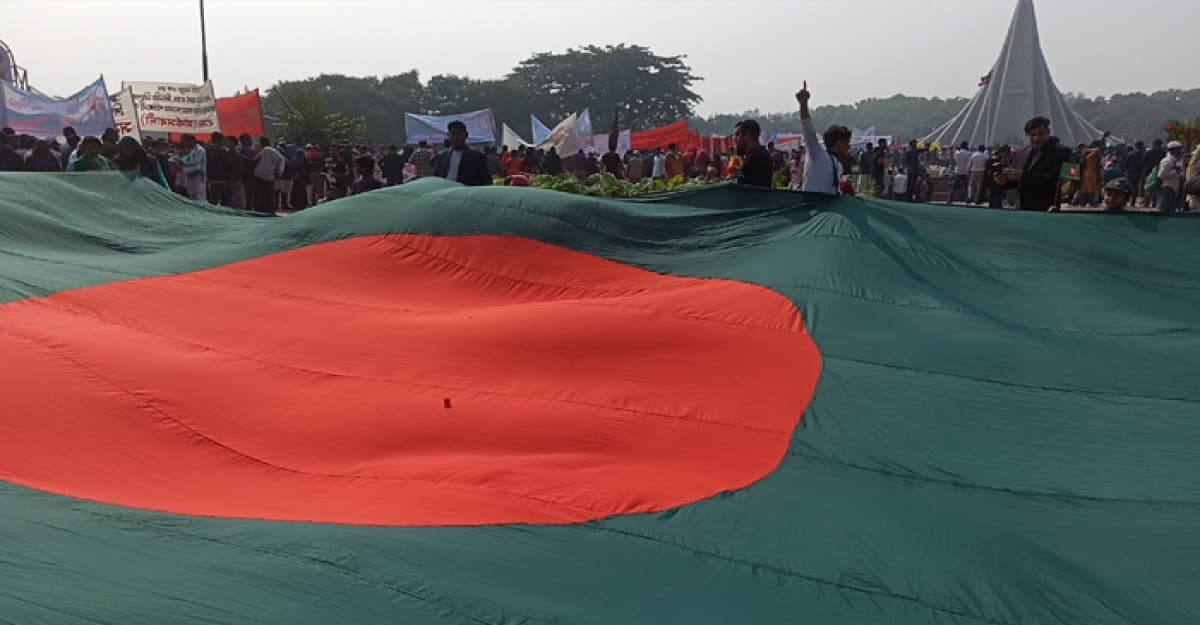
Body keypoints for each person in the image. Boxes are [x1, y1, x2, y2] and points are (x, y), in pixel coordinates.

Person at [993, 116, 1073, 212]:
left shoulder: (1063, 151)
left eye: (1040, 134)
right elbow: (1019, 181)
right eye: (1032, 135)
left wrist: (1023, 176)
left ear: (1048, 132)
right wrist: (1004, 181)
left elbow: (1057, 181)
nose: (1036, 138)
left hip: (1046, 209)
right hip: (1021, 208)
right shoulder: (1023, 152)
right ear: (1026, 135)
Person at [795, 82, 850, 195]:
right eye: (846, 143)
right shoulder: (817, 153)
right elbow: (807, 126)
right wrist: (803, 104)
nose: (848, 147)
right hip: (811, 207)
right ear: (839, 143)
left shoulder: (838, 165)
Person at [433, 121, 490, 186]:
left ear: (466, 135)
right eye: (453, 134)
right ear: (448, 135)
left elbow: (486, 181)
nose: (455, 137)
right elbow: (436, 178)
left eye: (458, 134)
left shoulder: (478, 157)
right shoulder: (442, 157)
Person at [733, 120, 772, 188]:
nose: (736, 139)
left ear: (748, 135)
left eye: (738, 135)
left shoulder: (756, 157)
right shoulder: (760, 154)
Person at [251, 136, 285, 213]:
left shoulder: (266, 149)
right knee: (269, 195)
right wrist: (279, 171)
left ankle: (260, 210)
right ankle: (269, 211)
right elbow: (282, 159)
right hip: (268, 176)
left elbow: (255, 158)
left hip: (260, 175)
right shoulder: (273, 151)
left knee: (259, 195)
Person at [206, 132, 238, 207]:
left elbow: (208, 164)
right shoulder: (225, 151)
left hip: (213, 179)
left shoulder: (208, 149)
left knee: (213, 202)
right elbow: (230, 164)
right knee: (227, 202)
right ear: (219, 140)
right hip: (224, 180)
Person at [175, 134, 208, 202]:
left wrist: (184, 163)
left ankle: (201, 207)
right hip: (190, 174)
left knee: (199, 193)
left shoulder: (200, 150)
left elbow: (196, 161)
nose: (184, 143)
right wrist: (180, 159)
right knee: (191, 193)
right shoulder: (191, 149)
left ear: (191, 141)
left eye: (184, 141)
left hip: (198, 175)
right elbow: (188, 158)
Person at [1157, 141, 1186, 213]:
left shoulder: (1177, 160)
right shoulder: (1167, 161)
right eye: (1178, 149)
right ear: (1173, 150)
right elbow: (1161, 175)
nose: (1180, 151)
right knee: (1162, 209)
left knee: (1170, 210)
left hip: (1173, 189)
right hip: (1167, 188)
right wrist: (1176, 172)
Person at [1075, 141, 1103, 207]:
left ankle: (1082, 202)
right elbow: (1097, 150)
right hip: (1091, 175)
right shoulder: (1090, 156)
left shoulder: (1084, 157)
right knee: (1092, 189)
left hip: (1086, 174)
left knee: (1085, 189)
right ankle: (1092, 202)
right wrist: (1087, 149)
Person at [1142, 139, 1166, 207]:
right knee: (1157, 188)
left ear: (1153, 144)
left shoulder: (1148, 152)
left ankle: (1147, 203)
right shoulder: (1163, 153)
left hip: (1149, 173)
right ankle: (1154, 204)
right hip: (1159, 172)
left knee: (1148, 188)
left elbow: (1143, 162)